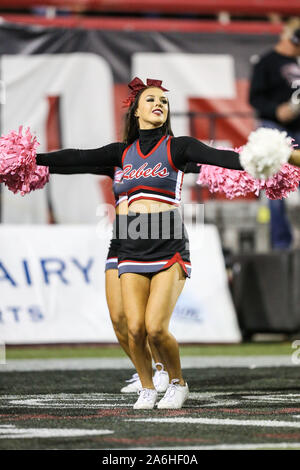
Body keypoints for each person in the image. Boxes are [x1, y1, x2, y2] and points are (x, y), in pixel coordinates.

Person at [36, 77, 300, 409]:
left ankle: (176, 382)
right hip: (129, 242)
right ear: (135, 111)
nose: (159, 103)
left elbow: (225, 159)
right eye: (150, 99)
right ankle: (149, 384)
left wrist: (274, 156)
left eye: (164, 100)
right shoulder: (121, 153)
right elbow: (74, 158)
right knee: (132, 327)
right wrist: (32, 160)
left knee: (155, 328)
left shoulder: (179, 146)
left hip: (167, 239)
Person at [249, 18, 300, 250]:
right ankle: (281, 242)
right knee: (276, 185)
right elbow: (254, 98)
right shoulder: (267, 62)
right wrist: (277, 110)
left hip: (297, 128)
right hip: (275, 127)